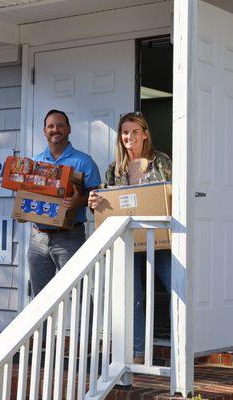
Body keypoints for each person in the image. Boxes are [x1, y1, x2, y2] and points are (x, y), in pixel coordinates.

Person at [88, 111, 172, 360]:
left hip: (160, 239)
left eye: (135, 131)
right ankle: (137, 351)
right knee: (132, 295)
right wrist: (94, 201)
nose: (130, 136)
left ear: (145, 134)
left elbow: (174, 195)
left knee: (176, 289)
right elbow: (106, 201)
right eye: (125, 132)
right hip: (128, 240)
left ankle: (182, 347)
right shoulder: (115, 169)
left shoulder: (161, 162)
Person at [28, 110, 101, 297]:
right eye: (50, 126)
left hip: (70, 237)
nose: (55, 129)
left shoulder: (84, 162)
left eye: (60, 125)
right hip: (38, 238)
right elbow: (25, 196)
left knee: (79, 296)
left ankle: (84, 328)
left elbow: (98, 196)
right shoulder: (34, 163)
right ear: (44, 131)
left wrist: (79, 201)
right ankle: (43, 329)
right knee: (40, 299)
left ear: (68, 129)